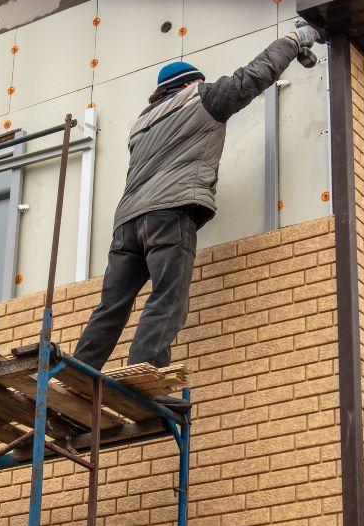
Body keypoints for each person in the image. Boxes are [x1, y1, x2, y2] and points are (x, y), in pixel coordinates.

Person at [71, 21, 322, 407]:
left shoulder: (141, 124)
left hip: (126, 224)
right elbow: (254, 75)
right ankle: (144, 373)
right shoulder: (199, 99)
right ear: (191, 83)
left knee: (112, 306)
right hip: (169, 215)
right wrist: (295, 40)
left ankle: (78, 376)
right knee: (168, 297)